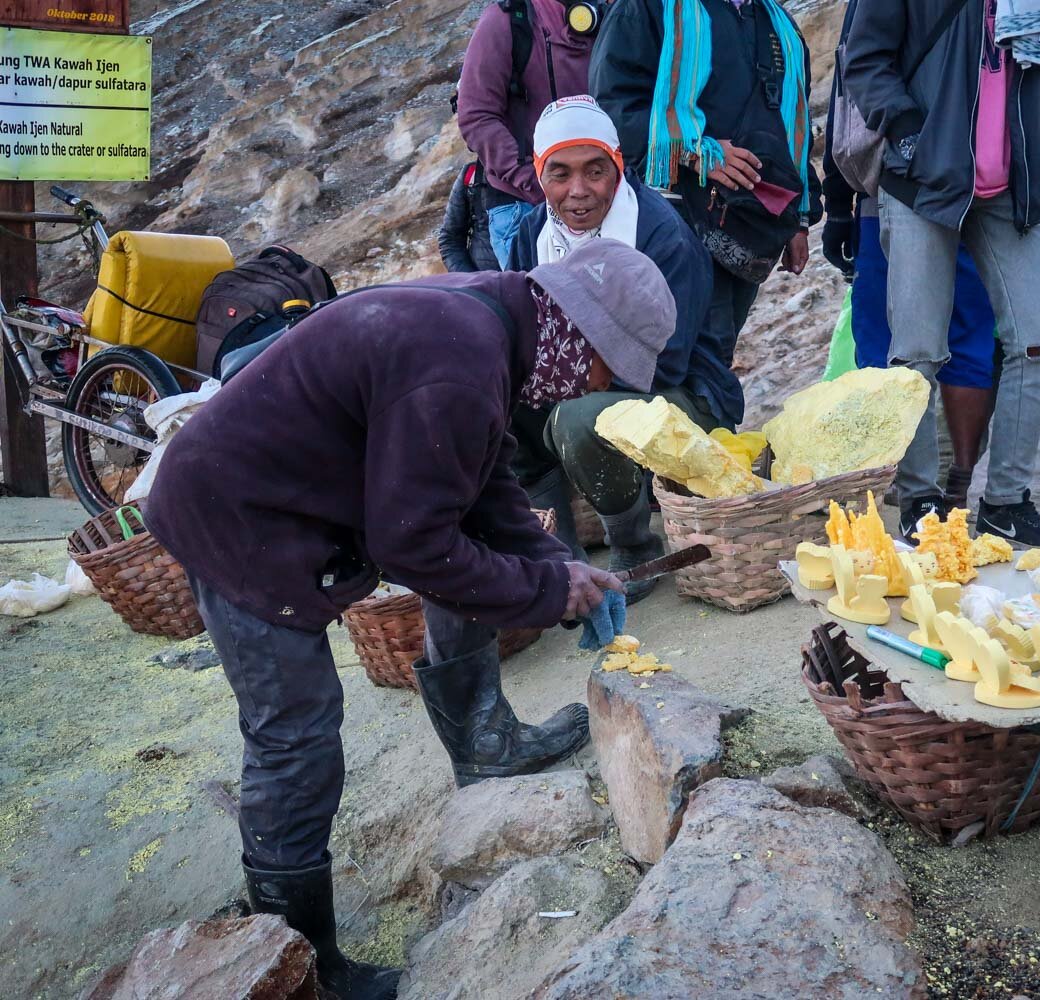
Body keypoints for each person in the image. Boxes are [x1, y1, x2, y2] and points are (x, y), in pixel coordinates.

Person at [145, 239, 675, 999]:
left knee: (301, 724)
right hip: (234, 512)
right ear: (575, 329)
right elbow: (417, 544)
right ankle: (299, 960)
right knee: (295, 731)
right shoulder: (459, 358)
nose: (592, 386)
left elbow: (478, 477)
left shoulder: (492, 322)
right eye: (602, 368)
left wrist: (554, 562)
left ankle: (484, 745)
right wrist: (544, 595)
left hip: (263, 493)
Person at [844, 0, 1040, 546]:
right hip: (924, 182)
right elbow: (865, 61)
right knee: (917, 352)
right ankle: (920, 499)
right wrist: (909, 136)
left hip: (1013, 187)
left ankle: (1006, 504)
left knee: (1039, 343)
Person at [504, 96, 741, 600]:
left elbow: (666, 360)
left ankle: (634, 544)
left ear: (618, 167)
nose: (578, 191)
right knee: (500, 404)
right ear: (539, 175)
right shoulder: (533, 232)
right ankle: (559, 554)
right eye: (560, 174)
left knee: (581, 419)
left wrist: (558, 375)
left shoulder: (660, 234)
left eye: (595, 171)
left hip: (682, 395)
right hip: (584, 381)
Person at [822, 0, 998, 511]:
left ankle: (914, 486)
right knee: (961, 331)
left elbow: (851, 92)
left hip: (899, 185)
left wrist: (840, 203)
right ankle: (949, 480)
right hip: (969, 185)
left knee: (891, 340)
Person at [588, 0, 823, 352]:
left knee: (717, 352)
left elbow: (791, 132)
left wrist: (799, 220)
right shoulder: (645, 8)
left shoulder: (779, 24)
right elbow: (610, 110)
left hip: (753, 227)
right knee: (689, 357)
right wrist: (696, 153)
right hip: (674, 219)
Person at [457, 0, 598, 264]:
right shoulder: (506, 20)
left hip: (595, 199)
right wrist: (537, 181)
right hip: (522, 206)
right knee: (540, 303)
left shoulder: (612, 13)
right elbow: (476, 116)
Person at [437, 160, 506, 272]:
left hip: (536, 282)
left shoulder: (539, 171)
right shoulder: (472, 175)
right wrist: (472, 281)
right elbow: (450, 239)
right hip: (484, 283)